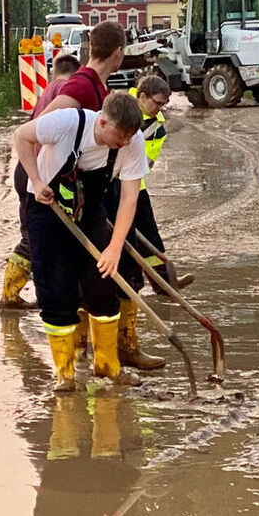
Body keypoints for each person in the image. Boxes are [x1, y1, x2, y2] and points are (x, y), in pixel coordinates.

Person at [14, 92, 147, 391]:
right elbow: (21, 136)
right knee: (55, 288)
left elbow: (128, 198)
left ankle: (107, 365)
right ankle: (65, 374)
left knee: (101, 286)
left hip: (89, 210)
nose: (124, 143)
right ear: (102, 122)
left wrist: (113, 248)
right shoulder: (65, 123)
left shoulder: (133, 141)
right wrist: (36, 181)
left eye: (129, 137)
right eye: (120, 136)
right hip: (47, 210)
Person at [1, 22, 126, 309]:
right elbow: (36, 130)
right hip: (41, 173)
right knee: (37, 241)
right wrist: (40, 179)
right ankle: (12, 295)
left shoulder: (97, 85)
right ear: (118, 53)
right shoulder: (81, 86)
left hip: (58, 176)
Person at [104, 75, 190, 370]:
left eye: (165, 104)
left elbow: (146, 161)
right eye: (157, 102)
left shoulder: (157, 125)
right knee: (125, 242)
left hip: (134, 184)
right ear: (141, 96)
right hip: (110, 186)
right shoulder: (117, 107)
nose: (161, 108)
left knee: (149, 236)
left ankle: (163, 282)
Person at [1, 54, 81, 310]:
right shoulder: (63, 90)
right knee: (32, 238)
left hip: (30, 169)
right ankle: (9, 296)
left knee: (34, 235)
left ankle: (15, 295)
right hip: (35, 171)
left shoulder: (48, 89)